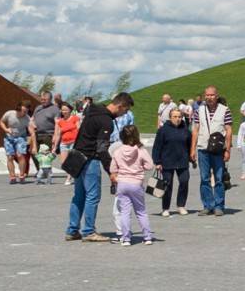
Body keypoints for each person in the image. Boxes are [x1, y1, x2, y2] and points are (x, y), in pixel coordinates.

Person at [66, 92, 125, 242]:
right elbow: (102, 148)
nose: (123, 114)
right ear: (120, 106)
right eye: (125, 110)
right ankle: (89, 231)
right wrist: (111, 170)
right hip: (90, 159)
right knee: (93, 196)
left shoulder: (92, 111)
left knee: (79, 196)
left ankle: (72, 230)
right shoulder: (106, 121)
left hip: (77, 157)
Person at [108, 125, 158, 247]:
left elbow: (112, 168)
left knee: (125, 212)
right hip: (136, 183)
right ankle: (147, 237)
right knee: (141, 211)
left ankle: (126, 239)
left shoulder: (118, 151)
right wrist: (141, 167)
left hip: (122, 183)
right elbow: (150, 165)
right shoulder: (140, 150)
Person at [192, 87, 233, 217]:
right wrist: (192, 149)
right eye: (207, 95)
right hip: (203, 147)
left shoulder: (224, 110)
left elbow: (229, 130)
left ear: (216, 96)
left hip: (218, 148)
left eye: (212, 95)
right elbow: (196, 129)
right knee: (204, 178)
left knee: (219, 178)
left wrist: (227, 150)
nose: (209, 97)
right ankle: (207, 205)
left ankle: (219, 205)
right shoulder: (199, 110)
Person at [152, 105, 193, 215]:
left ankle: (181, 205)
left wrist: (192, 158)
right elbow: (157, 147)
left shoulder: (186, 130)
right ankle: (165, 208)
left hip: (182, 161)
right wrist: (157, 162)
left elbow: (190, 146)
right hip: (167, 162)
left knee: (184, 182)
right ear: (170, 117)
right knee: (167, 185)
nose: (177, 119)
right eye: (175, 116)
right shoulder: (163, 130)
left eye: (179, 116)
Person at [0, 104, 31, 185]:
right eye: (24, 111)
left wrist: (32, 142)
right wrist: (6, 129)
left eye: (26, 111)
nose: (25, 113)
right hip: (9, 138)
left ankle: (21, 175)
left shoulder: (27, 118)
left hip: (21, 137)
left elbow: (31, 130)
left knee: (20, 155)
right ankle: (12, 176)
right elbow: (1, 122)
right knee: (10, 156)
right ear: (18, 110)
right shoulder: (9, 114)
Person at [32, 92, 60, 166]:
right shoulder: (38, 108)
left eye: (45, 99)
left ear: (50, 99)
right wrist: (32, 123)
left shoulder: (55, 109)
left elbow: (57, 123)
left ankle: (44, 171)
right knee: (33, 152)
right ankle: (40, 170)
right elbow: (32, 119)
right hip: (36, 134)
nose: (43, 101)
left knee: (45, 155)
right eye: (42, 99)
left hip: (48, 135)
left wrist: (55, 136)